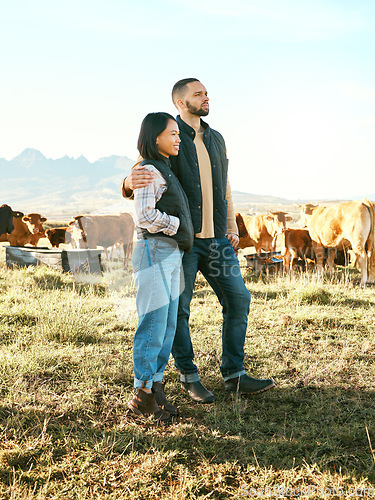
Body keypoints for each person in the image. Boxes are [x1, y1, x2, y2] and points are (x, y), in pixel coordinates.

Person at [122, 79, 274, 403]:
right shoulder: (170, 135)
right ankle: (189, 377)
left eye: (206, 93)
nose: (206, 98)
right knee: (178, 312)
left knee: (239, 299)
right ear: (180, 102)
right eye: (198, 94)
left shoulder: (216, 138)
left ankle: (234, 374)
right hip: (183, 245)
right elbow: (142, 170)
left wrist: (231, 225)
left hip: (218, 241)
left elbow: (225, 186)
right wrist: (124, 181)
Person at [127, 112, 194, 423]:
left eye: (179, 133)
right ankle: (141, 393)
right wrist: (177, 225)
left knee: (166, 326)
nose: (178, 138)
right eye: (172, 133)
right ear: (155, 138)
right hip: (154, 249)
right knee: (153, 324)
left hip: (169, 252)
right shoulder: (149, 170)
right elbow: (144, 215)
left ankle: (155, 386)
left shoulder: (165, 166)